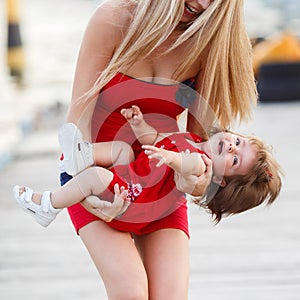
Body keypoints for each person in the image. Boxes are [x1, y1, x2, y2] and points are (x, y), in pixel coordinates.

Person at [54, 0, 258, 299]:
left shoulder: (205, 42)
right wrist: (90, 195)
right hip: (95, 174)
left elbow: (200, 147)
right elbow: (76, 126)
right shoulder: (113, 19)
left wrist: (194, 180)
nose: (201, 4)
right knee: (130, 291)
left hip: (161, 184)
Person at [13, 105, 282, 230]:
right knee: (124, 149)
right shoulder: (193, 140)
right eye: (238, 141)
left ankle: (48, 205)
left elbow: (186, 164)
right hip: (132, 174)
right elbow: (153, 140)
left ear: (222, 179)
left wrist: (171, 158)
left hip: (133, 194)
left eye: (235, 160)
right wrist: (139, 124)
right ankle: (81, 155)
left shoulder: (201, 165)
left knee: (96, 177)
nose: (232, 147)